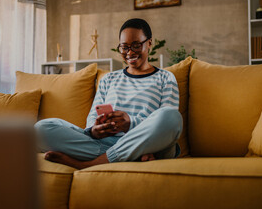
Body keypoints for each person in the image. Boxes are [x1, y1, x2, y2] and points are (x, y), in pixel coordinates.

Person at [35, 18, 182, 169]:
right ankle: (131, 157)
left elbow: (167, 120)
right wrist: (94, 130)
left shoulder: (165, 77)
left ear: (149, 43)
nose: (130, 52)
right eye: (124, 47)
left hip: (149, 144)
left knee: (171, 117)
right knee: (41, 128)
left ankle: (92, 163)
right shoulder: (109, 79)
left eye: (136, 46)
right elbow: (93, 117)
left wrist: (130, 124)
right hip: (106, 143)